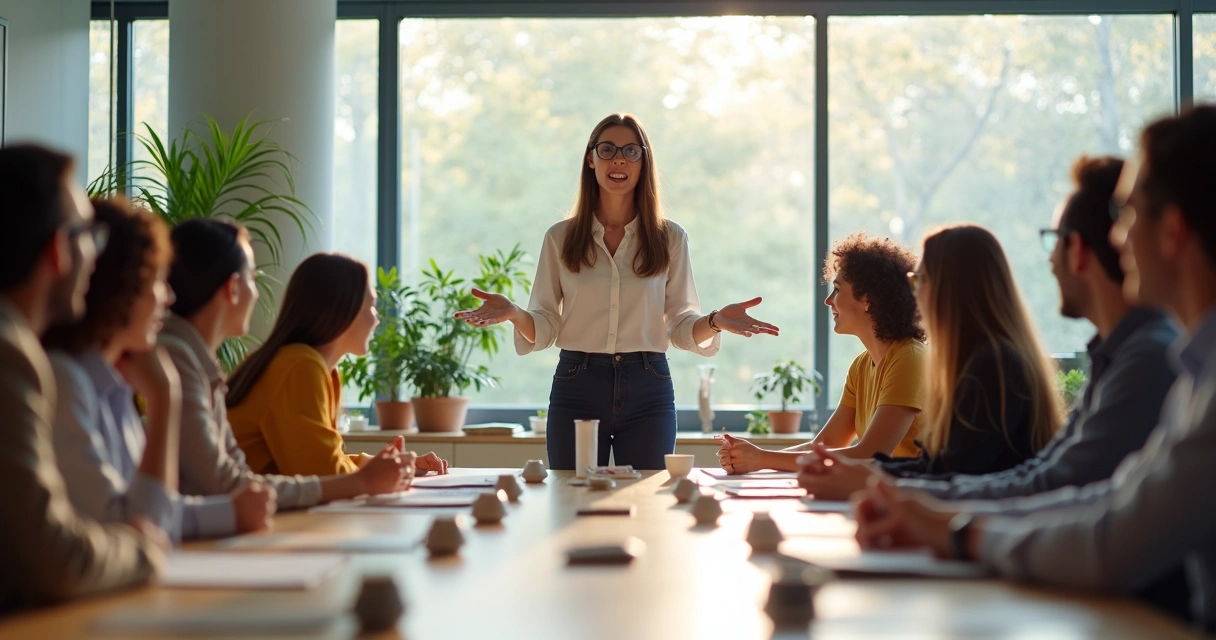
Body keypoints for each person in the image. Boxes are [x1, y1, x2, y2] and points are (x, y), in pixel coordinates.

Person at [851, 105, 1216, 630]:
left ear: (1174, 230)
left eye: (1130, 216)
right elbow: (1104, 496)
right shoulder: (1182, 365)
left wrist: (953, 529)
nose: (1118, 238)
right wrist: (929, 512)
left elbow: (1105, 534)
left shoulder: (1164, 363)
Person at [455, 112, 779, 470]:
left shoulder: (670, 237)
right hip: (577, 382)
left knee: (646, 503)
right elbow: (546, 324)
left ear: (644, 162)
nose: (619, 159)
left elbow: (681, 326)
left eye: (630, 151)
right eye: (607, 149)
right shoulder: (560, 238)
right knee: (570, 497)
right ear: (590, 159)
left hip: (648, 385)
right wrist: (516, 314)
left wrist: (715, 321)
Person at [897, 156, 1178, 501]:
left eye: (1052, 239)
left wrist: (954, 529)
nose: (1049, 259)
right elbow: (1044, 474)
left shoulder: (1148, 359)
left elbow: (1057, 490)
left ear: (1075, 248)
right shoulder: (1118, 357)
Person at [43, 198, 276, 541]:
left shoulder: (116, 387)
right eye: (156, 280)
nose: (167, 298)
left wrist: (231, 513)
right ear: (123, 288)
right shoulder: (67, 382)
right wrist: (166, 397)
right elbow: (137, 525)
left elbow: (155, 507)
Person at [0, 145, 162, 613]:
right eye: (88, 233)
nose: (96, 252)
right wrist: (140, 549)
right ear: (57, 248)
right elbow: (55, 558)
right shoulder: (10, 356)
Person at [163, 220, 418, 508]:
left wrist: (377, 468)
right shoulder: (299, 365)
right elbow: (321, 473)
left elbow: (241, 477)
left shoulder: (202, 365)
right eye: (253, 279)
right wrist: (367, 478)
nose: (257, 293)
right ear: (233, 288)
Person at [798, 224, 1064, 499]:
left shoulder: (991, 365)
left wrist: (867, 479)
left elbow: (955, 477)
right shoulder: (976, 360)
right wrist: (868, 475)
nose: (912, 293)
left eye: (919, 281)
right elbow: (938, 467)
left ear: (951, 288)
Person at [225, 252, 448, 477]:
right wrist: (380, 472)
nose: (376, 320)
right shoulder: (300, 366)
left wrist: (391, 464)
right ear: (344, 309)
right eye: (371, 306)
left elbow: (325, 460)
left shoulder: (314, 367)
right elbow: (324, 474)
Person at [717, 233, 926, 473]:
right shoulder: (861, 366)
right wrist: (750, 459)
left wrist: (761, 459)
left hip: (916, 497)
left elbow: (870, 455)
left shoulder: (909, 358)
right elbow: (824, 445)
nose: (828, 301)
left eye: (837, 290)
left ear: (867, 299)